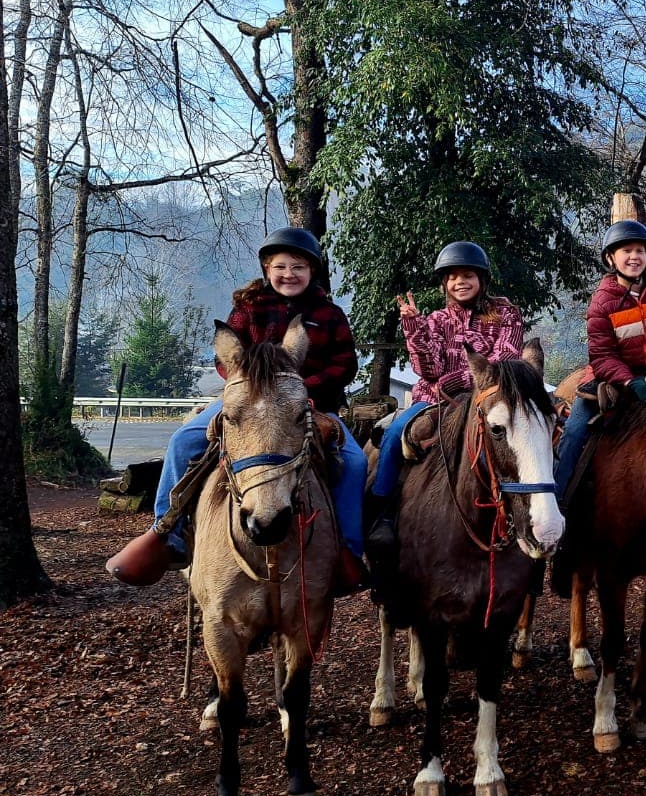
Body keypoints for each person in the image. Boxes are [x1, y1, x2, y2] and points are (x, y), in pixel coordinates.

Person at [106, 227, 368, 590]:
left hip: (310, 404)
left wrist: (300, 389)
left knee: (355, 463)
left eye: (298, 267)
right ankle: (168, 532)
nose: (289, 274)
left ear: (312, 272)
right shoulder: (249, 308)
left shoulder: (329, 314)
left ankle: (347, 550)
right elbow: (225, 357)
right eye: (280, 266)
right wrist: (247, 385)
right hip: (246, 400)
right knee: (183, 441)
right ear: (266, 269)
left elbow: (345, 364)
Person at [364, 241, 524, 562]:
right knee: (396, 435)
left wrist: (453, 381)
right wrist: (414, 327)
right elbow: (428, 370)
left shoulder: (505, 312)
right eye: (452, 277)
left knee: (534, 437)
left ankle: (534, 515)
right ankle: (381, 511)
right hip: (436, 403)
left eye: (467, 275)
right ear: (444, 283)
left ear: (482, 279)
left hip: (490, 401)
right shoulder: (436, 320)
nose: (460, 282)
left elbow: (503, 361)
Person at [553, 220, 646, 501]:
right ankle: (558, 503)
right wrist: (630, 381)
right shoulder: (602, 301)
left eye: (639, 250)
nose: (634, 257)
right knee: (574, 433)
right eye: (626, 251)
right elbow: (602, 355)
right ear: (611, 258)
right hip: (609, 378)